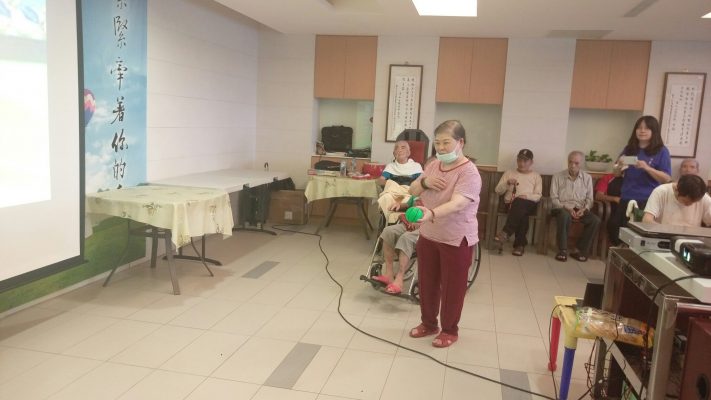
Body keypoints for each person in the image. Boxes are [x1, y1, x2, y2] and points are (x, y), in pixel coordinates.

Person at [407, 120, 481, 348]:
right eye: (437, 143)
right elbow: (412, 189)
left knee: (452, 288)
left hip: (456, 238)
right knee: (427, 282)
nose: (440, 147)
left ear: (461, 142)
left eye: (446, 143)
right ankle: (429, 324)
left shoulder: (469, 172)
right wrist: (425, 182)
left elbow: (458, 203)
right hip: (429, 235)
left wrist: (431, 213)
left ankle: (450, 330)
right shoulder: (432, 165)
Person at [607, 116, 672, 245]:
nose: (642, 131)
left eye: (646, 128)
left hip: (647, 200)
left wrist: (647, 168)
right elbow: (616, 174)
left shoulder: (661, 151)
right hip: (626, 197)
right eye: (639, 127)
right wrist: (619, 166)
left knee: (639, 237)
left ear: (654, 131)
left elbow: (666, 178)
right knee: (616, 231)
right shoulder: (629, 148)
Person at [550, 151, 600, 262]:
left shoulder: (587, 178)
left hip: (579, 208)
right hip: (561, 207)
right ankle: (562, 250)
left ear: (581, 164)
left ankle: (578, 250)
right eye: (570, 162)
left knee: (595, 220)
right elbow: (553, 198)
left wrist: (584, 209)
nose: (572, 165)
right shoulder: (557, 176)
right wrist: (566, 207)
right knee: (564, 215)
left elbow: (590, 199)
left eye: (576, 163)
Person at [493, 148, 542, 256]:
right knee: (522, 214)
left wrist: (526, 196)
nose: (522, 163)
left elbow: (538, 195)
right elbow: (498, 191)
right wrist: (507, 183)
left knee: (520, 203)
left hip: (529, 204)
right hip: (510, 204)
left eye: (525, 161)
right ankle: (520, 245)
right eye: (519, 160)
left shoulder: (536, 176)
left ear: (531, 162)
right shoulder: (509, 173)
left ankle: (506, 232)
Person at [372, 200, 421, 295]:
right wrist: (399, 205)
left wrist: (423, 221)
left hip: (427, 228)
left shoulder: (440, 195)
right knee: (388, 231)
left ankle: (399, 279)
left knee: (406, 238)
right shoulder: (420, 192)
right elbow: (408, 204)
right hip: (409, 223)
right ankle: (388, 275)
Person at [642, 174, 711, 227]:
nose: (690, 204)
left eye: (694, 202)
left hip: (692, 239)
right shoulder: (661, 192)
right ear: (676, 190)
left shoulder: (703, 196)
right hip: (664, 236)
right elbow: (647, 220)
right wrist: (668, 231)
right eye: (686, 201)